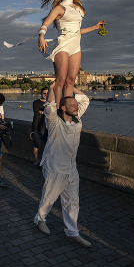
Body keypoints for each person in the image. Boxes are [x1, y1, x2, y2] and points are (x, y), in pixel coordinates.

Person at [33, 84, 92, 247]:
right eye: (72, 105)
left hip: (71, 168)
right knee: (49, 197)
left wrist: (71, 87)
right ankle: (39, 220)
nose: (76, 106)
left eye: (76, 105)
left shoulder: (77, 119)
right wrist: (55, 85)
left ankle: (72, 232)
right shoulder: (54, 122)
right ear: (63, 108)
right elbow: (50, 105)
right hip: (55, 167)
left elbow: (85, 99)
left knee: (72, 201)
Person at [38, 0, 105, 108]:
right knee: (60, 80)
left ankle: (67, 109)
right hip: (63, 45)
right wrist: (41, 36)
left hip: (75, 46)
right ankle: (58, 109)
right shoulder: (60, 8)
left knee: (71, 81)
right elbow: (46, 23)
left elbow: (77, 31)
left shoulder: (77, 8)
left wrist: (95, 27)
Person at [31, 87, 49, 167]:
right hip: (37, 127)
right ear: (41, 94)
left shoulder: (50, 103)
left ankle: (46, 161)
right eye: (44, 93)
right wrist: (46, 113)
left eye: (47, 93)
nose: (45, 95)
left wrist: (43, 112)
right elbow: (37, 114)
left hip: (47, 127)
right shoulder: (36, 102)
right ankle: (36, 161)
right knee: (37, 144)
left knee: (47, 145)